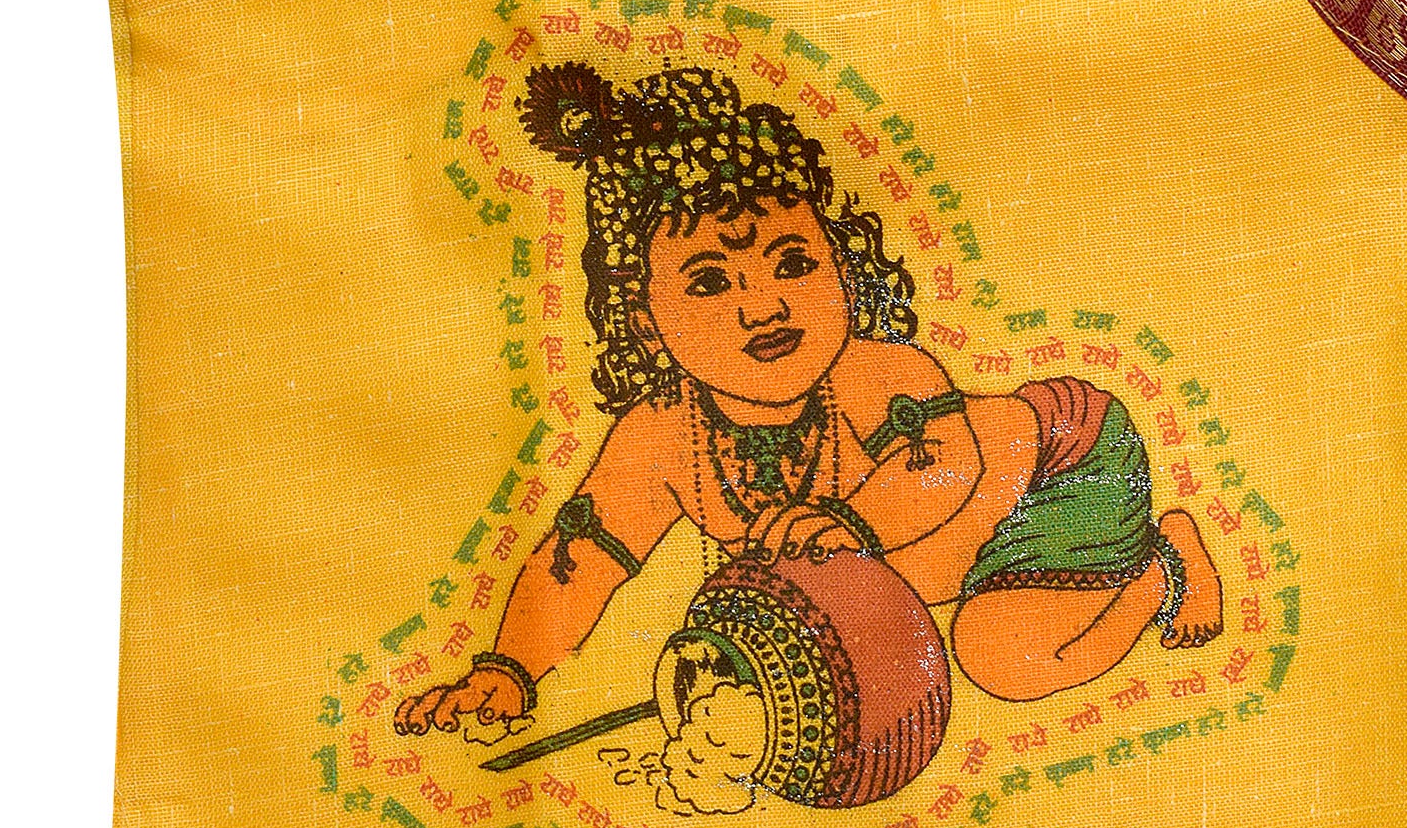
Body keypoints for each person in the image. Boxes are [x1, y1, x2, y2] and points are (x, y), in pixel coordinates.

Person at [395, 62, 1221, 750]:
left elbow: (947, 462)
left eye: (792, 264)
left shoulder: (876, 373)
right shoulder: (661, 438)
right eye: (710, 283)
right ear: (643, 319)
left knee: (1001, 657)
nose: (764, 307)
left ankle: (1163, 568)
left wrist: (853, 521)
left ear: (842, 264)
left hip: (1059, 470)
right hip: (966, 559)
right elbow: (581, 558)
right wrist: (510, 668)